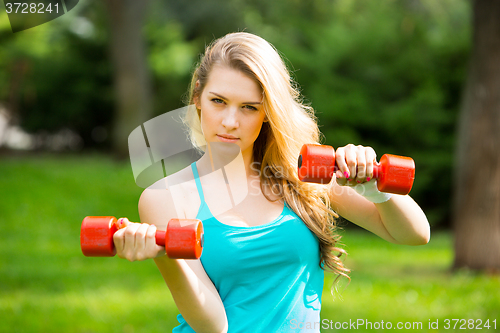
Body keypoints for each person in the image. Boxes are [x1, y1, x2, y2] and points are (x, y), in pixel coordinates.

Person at [112, 32, 430, 333]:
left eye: (249, 107)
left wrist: (374, 188)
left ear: (268, 112)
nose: (229, 122)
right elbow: (213, 325)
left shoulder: (301, 176)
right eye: (218, 101)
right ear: (197, 95)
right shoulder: (166, 196)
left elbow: (415, 234)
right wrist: (166, 257)